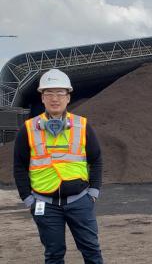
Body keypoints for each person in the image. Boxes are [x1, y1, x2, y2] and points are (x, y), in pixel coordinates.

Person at [13, 68, 103, 264]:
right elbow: (19, 167)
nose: (55, 98)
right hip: (44, 204)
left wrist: (93, 192)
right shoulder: (28, 129)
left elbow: (96, 159)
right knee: (54, 254)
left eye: (60, 93)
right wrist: (28, 199)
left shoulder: (82, 126)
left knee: (91, 251)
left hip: (80, 201)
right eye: (49, 93)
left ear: (68, 97)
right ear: (42, 98)